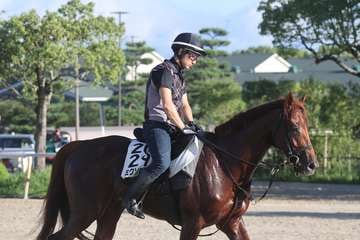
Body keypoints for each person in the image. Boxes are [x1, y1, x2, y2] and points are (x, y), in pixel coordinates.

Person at [121, 32, 205, 219]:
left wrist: (192, 124)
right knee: (161, 163)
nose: (195, 61)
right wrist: (183, 127)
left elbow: (185, 105)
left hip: (172, 126)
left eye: (196, 58)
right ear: (181, 51)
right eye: (193, 56)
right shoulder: (163, 71)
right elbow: (167, 105)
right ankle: (130, 197)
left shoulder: (180, 76)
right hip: (157, 125)